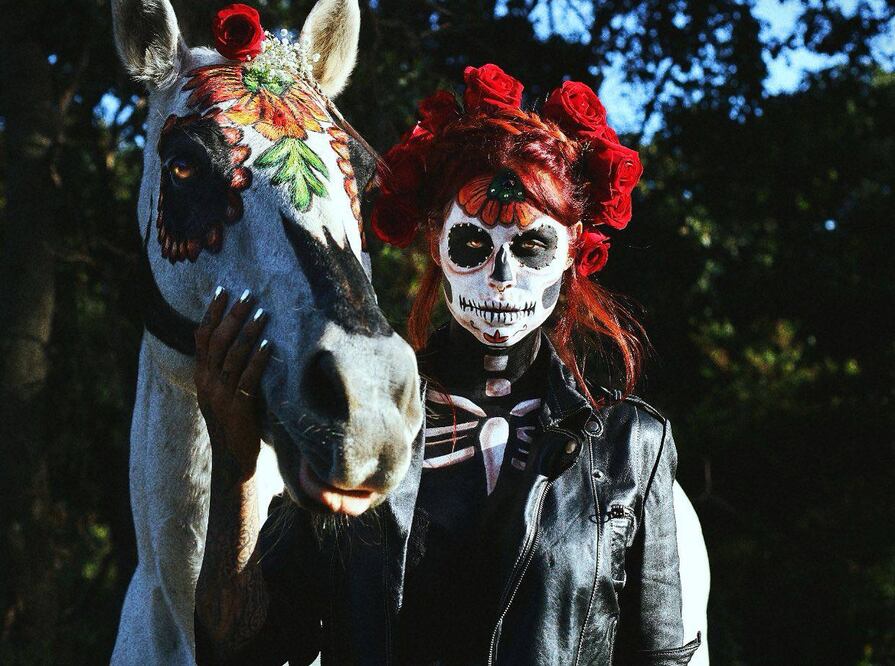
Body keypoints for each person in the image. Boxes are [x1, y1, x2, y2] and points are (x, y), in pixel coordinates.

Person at [193, 64, 702, 665]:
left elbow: (663, 655)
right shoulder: (362, 424)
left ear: (572, 251)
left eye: (531, 246)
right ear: (436, 241)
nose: (501, 275)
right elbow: (239, 651)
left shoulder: (629, 450)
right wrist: (236, 465)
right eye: (472, 245)